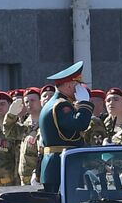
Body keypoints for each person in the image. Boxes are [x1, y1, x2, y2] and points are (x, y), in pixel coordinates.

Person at [37, 62, 95, 193]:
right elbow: (81, 124)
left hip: (57, 164)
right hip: (62, 165)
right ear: (70, 85)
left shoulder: (54, 103)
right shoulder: (62, 106)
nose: (80, 88)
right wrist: (85, 103)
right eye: (78, 84)